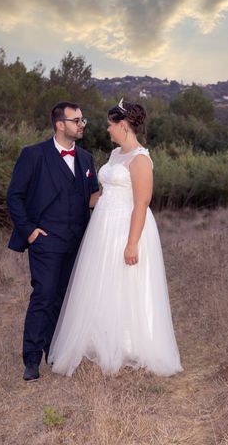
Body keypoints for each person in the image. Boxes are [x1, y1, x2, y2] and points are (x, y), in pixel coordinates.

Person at [48, 99, 182, 377]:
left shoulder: (141, 159)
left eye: (110, 125)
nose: (107, 130)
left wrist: (132, 243)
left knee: (127, 282)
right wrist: (67, 203)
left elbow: (141, 203)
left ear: (122, 125)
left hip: (127, 227)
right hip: (103, 228)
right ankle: (99, 340)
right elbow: (104, 194)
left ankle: (130, 345)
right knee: (102, 281)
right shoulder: (114, 155)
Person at [6, 101, 99, 381]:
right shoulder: (33, 155)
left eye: (83, 120)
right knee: (43, 296)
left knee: (65, 298)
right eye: (77, 121)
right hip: (45, 241)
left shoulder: (86, 158)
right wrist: (31, 231)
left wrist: (122, 194)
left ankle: (56, 352)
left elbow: (91, 197)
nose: (82, 125)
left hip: (77, 241)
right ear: (60, 124)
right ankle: (31, 360)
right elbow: (14, 197)